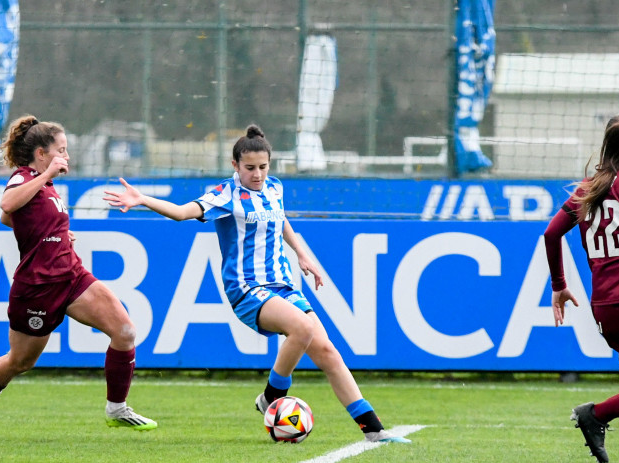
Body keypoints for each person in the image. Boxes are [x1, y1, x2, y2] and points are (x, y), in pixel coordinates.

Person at [103, 124, 410, 444]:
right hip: (247, 289)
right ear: (235, 165)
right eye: (250, 168)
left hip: (283, 285)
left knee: (327, 352)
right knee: (302, 329)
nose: (258, 174)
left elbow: (280, 218)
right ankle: (272, 396)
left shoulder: (274, 188)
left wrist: (302, 255)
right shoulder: (225, 195)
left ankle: (373, 430)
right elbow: (182, 212)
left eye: (263, 167)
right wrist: (142, 198)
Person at [0, 115, 157, 438]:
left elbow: (14, 218)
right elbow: (6, 206)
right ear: (41, 154)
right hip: (37, 289)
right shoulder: (24, 178)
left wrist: (55, 234)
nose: (67, 158)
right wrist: (46, 178)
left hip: (71, 276)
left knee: (125, 331)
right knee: (20, 362)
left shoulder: (46, 185)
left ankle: (117, 407)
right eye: (61, 150)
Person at [543, 113, 619, 463]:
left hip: (607, 304)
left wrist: (559, 285)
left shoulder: (590, 188)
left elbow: (551, 234)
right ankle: (595, 415)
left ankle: (596, 416)